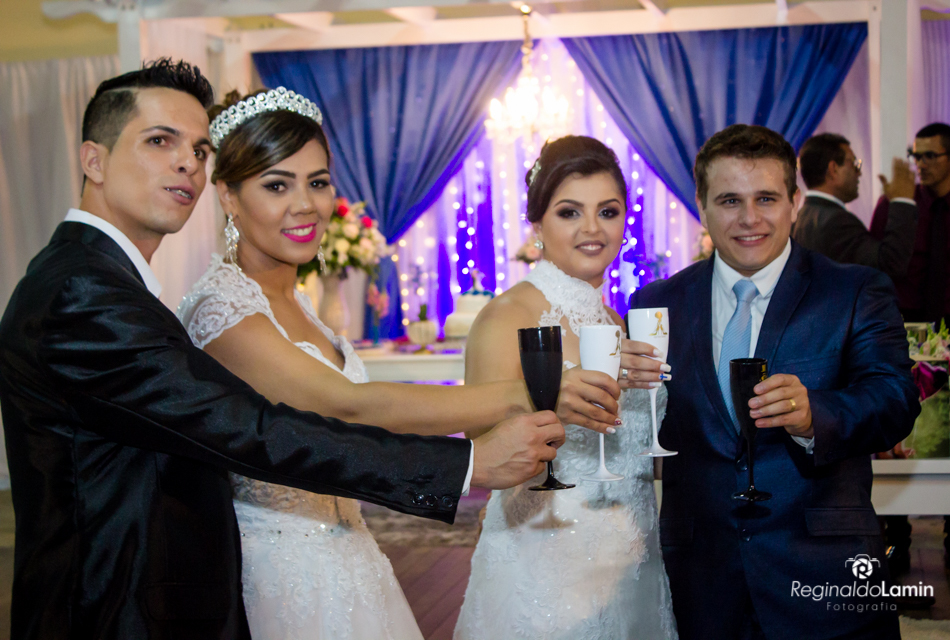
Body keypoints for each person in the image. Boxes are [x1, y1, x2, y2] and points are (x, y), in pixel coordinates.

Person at [0, 60, 565, 640]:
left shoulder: (106, 282)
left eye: (198, 149)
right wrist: (466, 461)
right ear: (94, 161)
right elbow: (259, 428)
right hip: (109, 607)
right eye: (159, 141)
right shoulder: (82, 291)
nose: (187, 163)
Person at [176, 90, 622, 639]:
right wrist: (531, 392)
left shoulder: (301, 306)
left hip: (350, 560)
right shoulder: (222, 310)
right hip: (278, 574)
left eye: (318, 182)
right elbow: (349, 407)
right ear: (227, 195)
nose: (305, 205)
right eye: (276, 185)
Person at [631, 124, 919, 639]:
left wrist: (815, 415)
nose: (749, 218)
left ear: (794, 203)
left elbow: (896, 400)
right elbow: (647, 427)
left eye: (765, 198)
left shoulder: (855, 290)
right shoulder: (656, 303)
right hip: (701, 583)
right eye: (729, 200)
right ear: (702, 207)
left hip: (826, 577)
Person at [454, 136, 679, 640]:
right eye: (570, 212)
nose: (592, 229)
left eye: (608, 211)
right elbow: (482, 448)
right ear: (537, 225)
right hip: (545, 567)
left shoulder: (617, 321)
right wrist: (554, 401)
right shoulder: (506, 316)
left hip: (634, 560)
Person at [870, 122, 950, 576]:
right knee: (900, 432)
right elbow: (877, 265)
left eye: (930, 155)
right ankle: (896, 538)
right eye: (916, 154)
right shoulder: (897, 204)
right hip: (904, 328)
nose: (920, 164)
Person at [792, 132, 917, 278]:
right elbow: (890, 264)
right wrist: (902, 201)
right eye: (854, 164)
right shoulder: (836, 222)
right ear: (833, 169)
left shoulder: (798, 218)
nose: (859, 173)